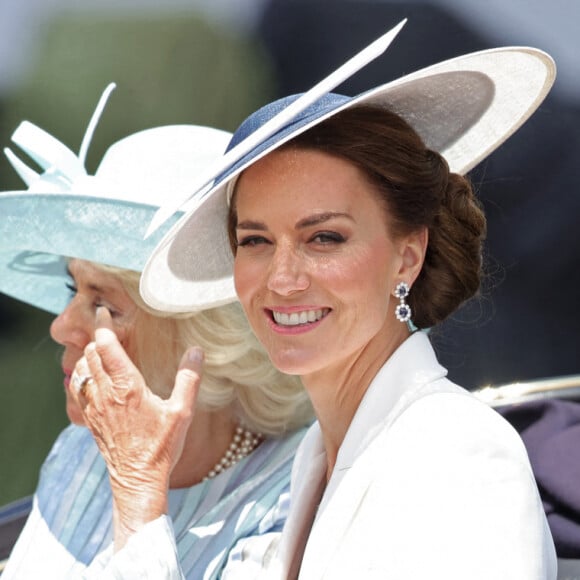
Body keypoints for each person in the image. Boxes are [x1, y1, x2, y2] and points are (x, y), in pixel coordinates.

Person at [139, 37, 559, 578]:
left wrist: (141, 507)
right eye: (256, 241)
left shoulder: (459, 452)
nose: (282, 280)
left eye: (325, 239)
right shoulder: (318, 455)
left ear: (407, 255)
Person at [0, 85, 313, 578]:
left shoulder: (295, 497)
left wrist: (139, 489)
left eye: (103, 304)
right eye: (71, 288)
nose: (62, 327)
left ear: (206, 339)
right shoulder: (82, 451)